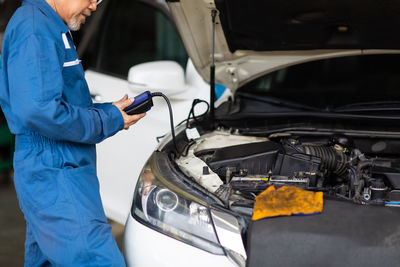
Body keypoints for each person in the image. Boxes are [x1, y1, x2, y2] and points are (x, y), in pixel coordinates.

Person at [0, 0, 146, 265]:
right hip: (55, 169)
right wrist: (105, 120)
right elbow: (38, 110)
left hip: (56, 167)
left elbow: (59, 102)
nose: (94, 5)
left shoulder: (50, 25)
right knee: (97, 259)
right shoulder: (35, 29)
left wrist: (109, 111)